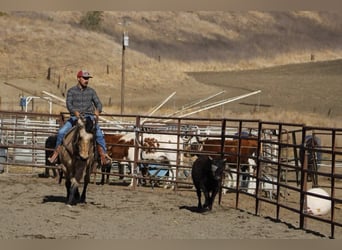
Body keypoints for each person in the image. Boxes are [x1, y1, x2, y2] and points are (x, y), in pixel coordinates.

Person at [48, 70, 110, 166]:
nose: (86, 80)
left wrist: (98, 110)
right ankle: (57, 153)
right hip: (74, 117)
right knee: (61, 132)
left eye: (87, 79)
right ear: (78, 78)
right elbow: (69, 104)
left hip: (89, 117)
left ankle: (103, 155)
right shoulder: (71, 91)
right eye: (84, 78)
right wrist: (74, 112)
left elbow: (98, 103)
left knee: (99, 134)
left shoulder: (91, 91)